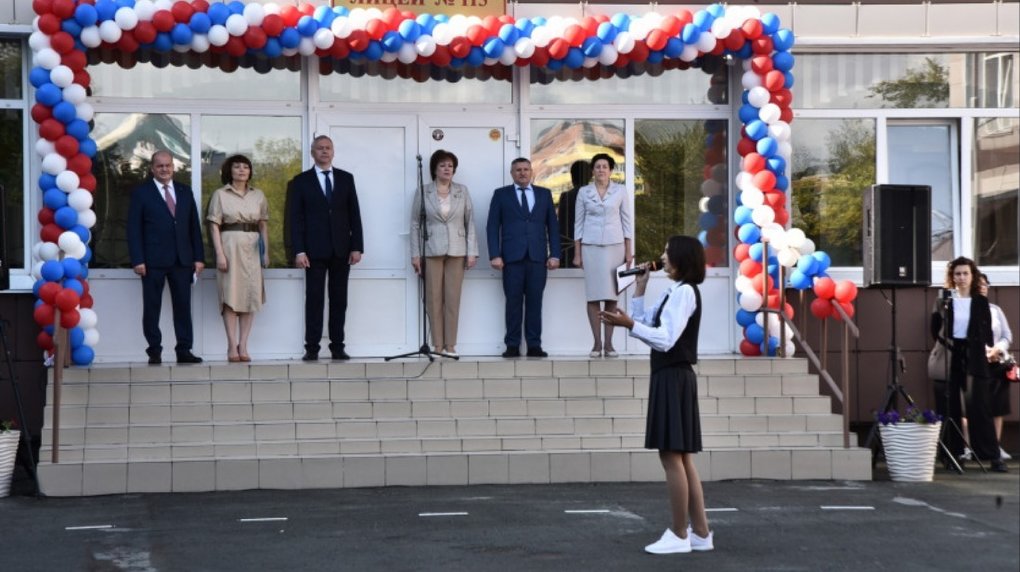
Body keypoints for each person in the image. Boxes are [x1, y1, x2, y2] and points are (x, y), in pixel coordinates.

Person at [600, 235, 713, 554]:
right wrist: (639, 290)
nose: (662, 256)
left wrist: (629, 325)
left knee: (671, 455)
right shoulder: (674, 290)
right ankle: (700, 533)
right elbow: (646, 323)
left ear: (680, 258)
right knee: (681, 456)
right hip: (672, 376)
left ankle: (679, 534)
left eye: (666, 252)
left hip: (673, 376)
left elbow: (664, 339)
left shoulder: (685, 292)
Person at [287, 135, 364, 361]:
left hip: (342, 250)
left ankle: (337, 346)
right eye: (320, 148)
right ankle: (312, 348)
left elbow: (354, 214)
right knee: (314, 299)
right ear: (312, 152)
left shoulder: (346, 178)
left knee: (339, 300)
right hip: (313, 251)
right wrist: (299, 250)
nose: (324, 151)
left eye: (328, 148)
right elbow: (295, 219)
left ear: (333, 151)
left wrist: (357, 246)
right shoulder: (300, 181)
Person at [126, 150, 205, 365]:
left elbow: (193, 227)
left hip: (182, 260)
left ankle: (184, 350)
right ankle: (154, 350)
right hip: (152, 261)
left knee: (183, 307)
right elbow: (133, 229)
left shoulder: (185, 191)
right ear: (152, 168)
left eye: (168, 165)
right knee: (152, 307)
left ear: (173, 167)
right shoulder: (141, 193)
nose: (164, 169)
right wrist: (137, 259)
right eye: (160, 166)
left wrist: (198, 257)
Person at [929, 257, 1005, 472]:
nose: (961, 278)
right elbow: (934, 329)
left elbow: (987, 333)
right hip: (949, 354)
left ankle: (991, 456)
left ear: (973, 276)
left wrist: (987, 349)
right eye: (957, 274)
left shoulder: (980, 301)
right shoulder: (943, 299)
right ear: (951, 277)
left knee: (979, 406)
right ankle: (953, 455)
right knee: (948, 407)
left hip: (974, 356)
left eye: (965, 273)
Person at [486, 157, 561, 358]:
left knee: (535, 302)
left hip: (538, 258)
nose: (522, 173)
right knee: (513, 303)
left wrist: (555, 254)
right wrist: (495, 254)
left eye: (526, 169)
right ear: (512, 173)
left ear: (531, 172)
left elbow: (553, 227)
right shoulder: (501, 194)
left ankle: (534, 345)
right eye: (518, 170)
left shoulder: (544, 194)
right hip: (511, 259)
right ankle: (512, 345)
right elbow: (492, 226)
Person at [409, 149, 479, 357]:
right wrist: (415, 254)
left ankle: (450, 345)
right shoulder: (423, 191)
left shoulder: (462, 191)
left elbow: (470, 222)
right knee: (433, 299)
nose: (447, 169)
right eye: (442, 165)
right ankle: (437, 345)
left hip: (457, 250)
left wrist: (472, 252)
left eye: (450, 166)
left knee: (452, 298)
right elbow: (415, 224)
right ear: (434, 169)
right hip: (431, 249)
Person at [207, 154, 269, 363]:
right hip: (230, 246)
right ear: (229, 171)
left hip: (253, 247)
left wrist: (266, 252)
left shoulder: (258, 195)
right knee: (230, 297)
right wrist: (219, 253)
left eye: (245, 167)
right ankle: (231, 345)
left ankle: (243, 345)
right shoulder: (220, 194)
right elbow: (214, 225)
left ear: (250, 171)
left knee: (250, 297)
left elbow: (263, 224)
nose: (242, 170)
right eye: (237, 167)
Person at [573, 153, 633, 358]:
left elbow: (627, 223)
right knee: (593, 295)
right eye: (597, 166)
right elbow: (578, 224)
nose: (601, 170)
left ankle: (609, 344)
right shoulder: (584, 192)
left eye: (605, 166)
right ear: (592, 170)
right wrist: (577, 253)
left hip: (615, 247)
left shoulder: (621, 191)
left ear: (611, 170)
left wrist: (629, 252)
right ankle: (596, 344)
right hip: (590, 247)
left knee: (611, 296)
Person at [978, 273, 1014, 460]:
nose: (982, 287)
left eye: (985, 284)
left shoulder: (995, 309)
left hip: (998, 362)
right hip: (977, 362)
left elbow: (1007, 335)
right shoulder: (966, 310)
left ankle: (995, 447)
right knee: (973, 406)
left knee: (997, 406)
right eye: (978, 284)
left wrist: (997, 349)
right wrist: (986, 351)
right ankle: (970, 447)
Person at [557, 160, 590, 269]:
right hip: (589, 248)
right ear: (590, 177)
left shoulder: (566, 196)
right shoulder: (594, 195)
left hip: (568, 249)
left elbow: (561, 225)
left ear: (572, 177)